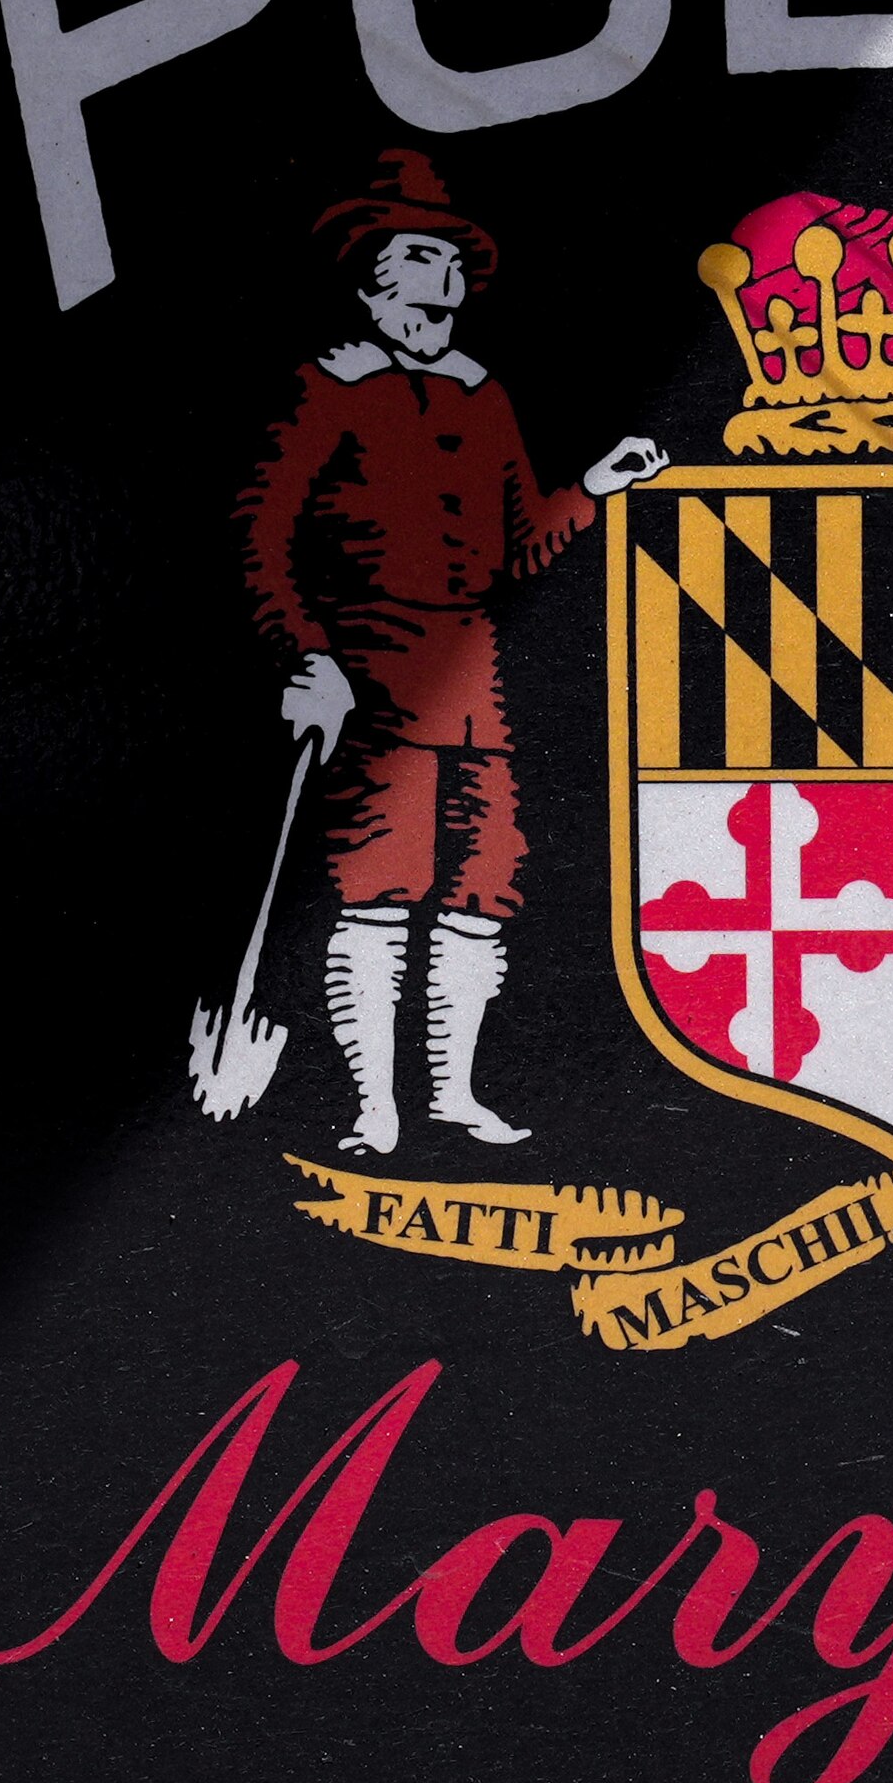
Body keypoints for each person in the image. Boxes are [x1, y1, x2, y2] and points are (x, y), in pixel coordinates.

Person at [236, 151, 665, 1153]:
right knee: (379, 892)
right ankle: (373, 1109)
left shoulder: (481, 395)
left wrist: (593, 489)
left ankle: (454, 1095)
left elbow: (517, 549)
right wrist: (306, 655)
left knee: (480, 891)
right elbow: (262, 535)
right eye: (423, 258)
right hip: (370, 677)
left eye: (454, 263)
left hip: (476, 681)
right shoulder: (327, 389)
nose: (447, 278)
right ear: (371, 279)